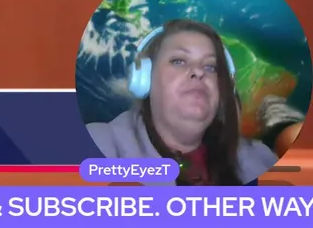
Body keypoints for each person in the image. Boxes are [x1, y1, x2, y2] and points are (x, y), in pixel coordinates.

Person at [87, 19, 278, 185]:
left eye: (211, 66)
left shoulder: (262, 159)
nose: (199, 71)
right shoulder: (96, 144)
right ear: (144, 79)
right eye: (178, 61)